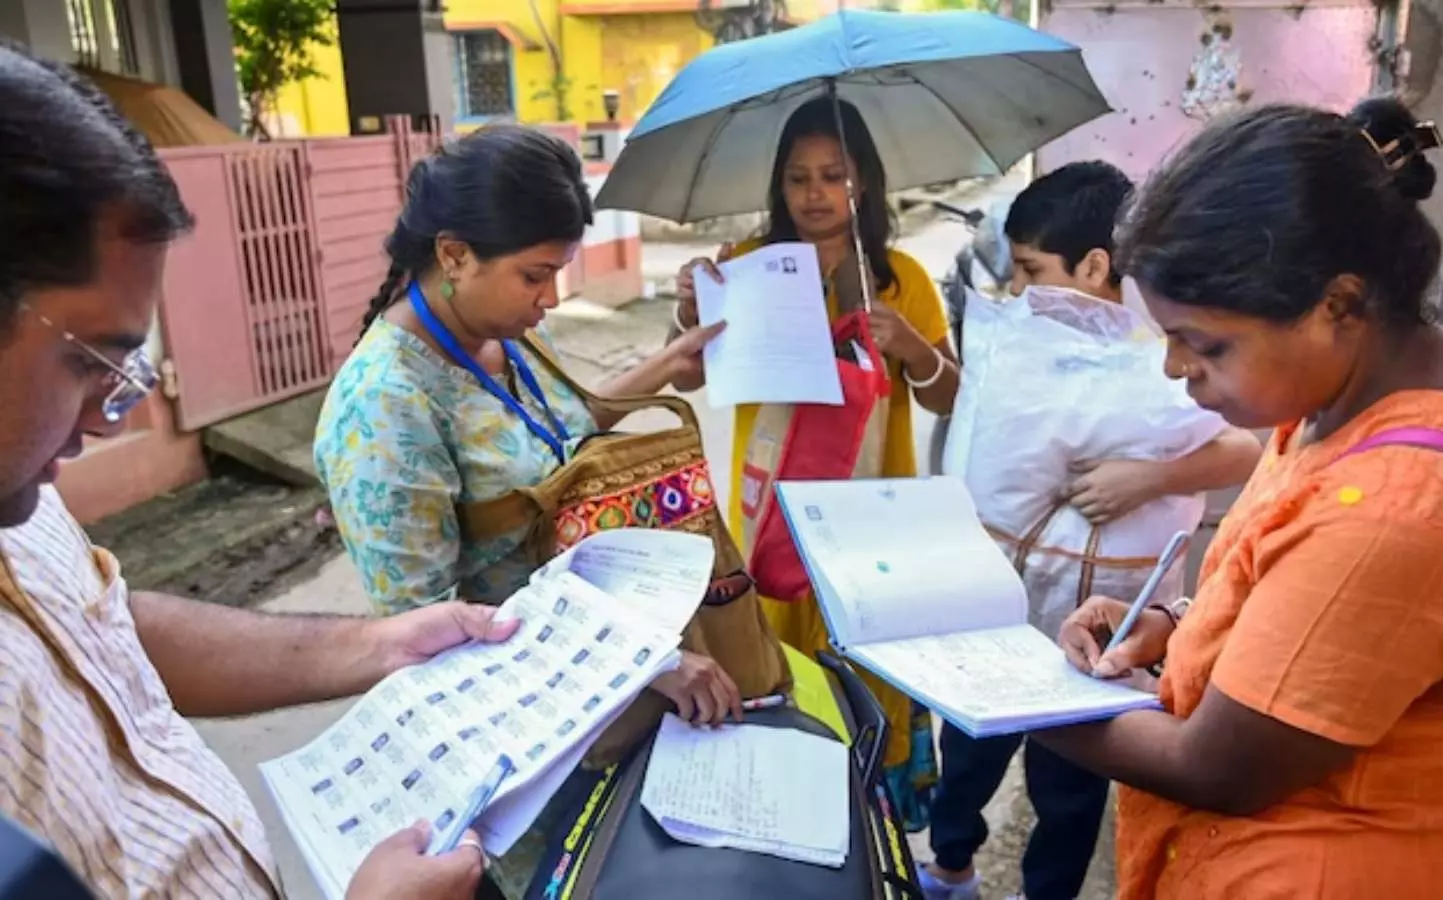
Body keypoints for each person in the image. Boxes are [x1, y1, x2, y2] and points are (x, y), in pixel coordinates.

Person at [0, 39, 514, 900]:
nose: (106, 413)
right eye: (90, 362)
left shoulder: (21, 494)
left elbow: (106, 625)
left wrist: (381, 644)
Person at [1035, 98, 1443, 898]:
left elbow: (1221, 767)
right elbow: (1306, 602)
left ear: (1339, 305)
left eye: (1205, 344)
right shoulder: (1347, 392)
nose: (1174, 369)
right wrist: (1177, 627)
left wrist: (1014, 704)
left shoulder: (1396, 511)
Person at [313, 122, 743, 895]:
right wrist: (638, 663)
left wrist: (664, 364)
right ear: (453, 254)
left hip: (603, 699)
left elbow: (553, 434)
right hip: (524, 752)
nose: (550, 299)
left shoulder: (497, 335)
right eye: (535, 276)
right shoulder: (384, 409)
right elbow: (426, 638)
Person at [920, 162, 1264, 900]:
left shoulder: (1159, 356)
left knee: (1070, 787)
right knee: (969, 752)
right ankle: (950, 867)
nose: (1019, 290)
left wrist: (1149, 478)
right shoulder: (1014, 342)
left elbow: (1245, 449)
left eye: (1033, 270)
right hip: (999, 604)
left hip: (1097, 622)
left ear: (1095, 266)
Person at [669, 95, 959, 829]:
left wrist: (910, 346)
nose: (815, 194)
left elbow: (949, 395)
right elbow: (689, 376)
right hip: (769, 519)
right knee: (771, 666)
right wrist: (689, 311)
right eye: (798, 178)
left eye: (834, 175)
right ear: (779, 185)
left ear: (865, 182)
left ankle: (868, 833)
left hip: (871, 521)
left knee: (862, 662)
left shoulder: (901, 279)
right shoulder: (745, 267)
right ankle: (785, 829)